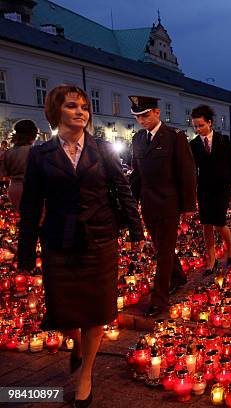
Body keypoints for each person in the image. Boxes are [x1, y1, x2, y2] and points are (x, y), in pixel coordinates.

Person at [17, 85, 144, 408]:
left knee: (96, 312)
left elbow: (122, 189)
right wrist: (26, 248)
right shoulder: (40, 154)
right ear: (55, 111)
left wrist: (135, 229)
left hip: (99, 237)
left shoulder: (101, 149)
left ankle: (86, 372)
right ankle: (75, 343)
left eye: (85, 107)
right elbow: (31, 204)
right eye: (72, 105)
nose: (80, 112)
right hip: (59, 238)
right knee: (63, 311)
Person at [128, 95, 197, 317]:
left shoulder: (174, 137)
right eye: (137, 116)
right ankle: (177, 277)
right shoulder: (138, 139)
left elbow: (186, 173)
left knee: (164, 251)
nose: (141, 120)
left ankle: (159, 299)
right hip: (148, 202)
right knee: (160, 247)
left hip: (169, 202)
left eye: (145, 115)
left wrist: (188, 205)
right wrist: (131, 202)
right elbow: (137, 174)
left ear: (157, 112)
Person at [189, 105, 231, 274]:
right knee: (206, 225)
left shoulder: (222, 140)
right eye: (195, 126)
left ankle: (230, 247)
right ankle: (211, 260)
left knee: (219, 222)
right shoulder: (194, 144)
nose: (198, 129)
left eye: (201, 125)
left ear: (209, 123)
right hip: (204, 188)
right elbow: (191, 168)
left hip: (222, 187)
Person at [0, 119, 38, 210]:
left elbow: (3, 173)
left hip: (14, 188)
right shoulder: (36, 152)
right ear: (32, 135)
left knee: (20, 216)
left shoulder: (9, 152)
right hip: (31, 187)